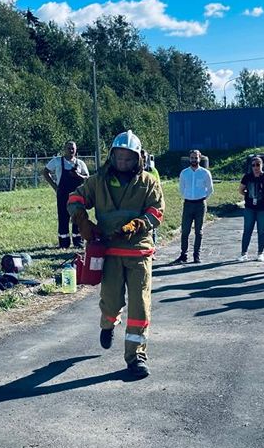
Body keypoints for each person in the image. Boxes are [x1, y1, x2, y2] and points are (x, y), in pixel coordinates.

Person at [67, 131, 163, 379]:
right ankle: (108, 324)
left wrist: (139, 224)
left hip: (139, 251)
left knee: (140, 305)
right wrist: (81, 219)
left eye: (128, 158)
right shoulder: (98, 181)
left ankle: (136, 357)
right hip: (108, 251)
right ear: (112, 156)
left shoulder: (149, 182)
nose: (123, 162)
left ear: (138, 159)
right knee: (111, 301)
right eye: (119, 157)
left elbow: (156, 211)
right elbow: (75, 198)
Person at [44, 141, 90, 248]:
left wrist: (78, 175)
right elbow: (45, 172)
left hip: (77, 195)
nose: (71, 150)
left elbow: (87, 178)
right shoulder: (57, 161)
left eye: (73, 148)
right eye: (69, 148)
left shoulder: (80, 163)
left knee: (78, 216)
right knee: (63, 217)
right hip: (62, 194)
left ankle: (78, 240)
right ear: (64, 149)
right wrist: (55, 186)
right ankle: (64, 242)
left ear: (76, 149)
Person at [175, 150, 214, 264]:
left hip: (200, 205)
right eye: (192, 158)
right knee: (185, 231)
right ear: (189, 158)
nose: (194, 160)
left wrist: (202, 198)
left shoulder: (205, 173)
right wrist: (188, 197)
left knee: (198, 231)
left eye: (196, 158)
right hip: (188, 204)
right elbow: (181, 188)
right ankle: (183, 255)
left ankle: (196, 255)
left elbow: (210, 189)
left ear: (199, 158)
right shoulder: (184, 173)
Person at [237, 156, 264, 262]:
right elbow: (241, 190)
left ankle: (260, 253)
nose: (256, 167)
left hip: (263, 208)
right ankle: (244, 253)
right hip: (250, 208)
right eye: (253, 165)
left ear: (262, 165)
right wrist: (247, 196)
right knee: (247, 230)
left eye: (258, 165)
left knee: (261, 231)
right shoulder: (247, 177)